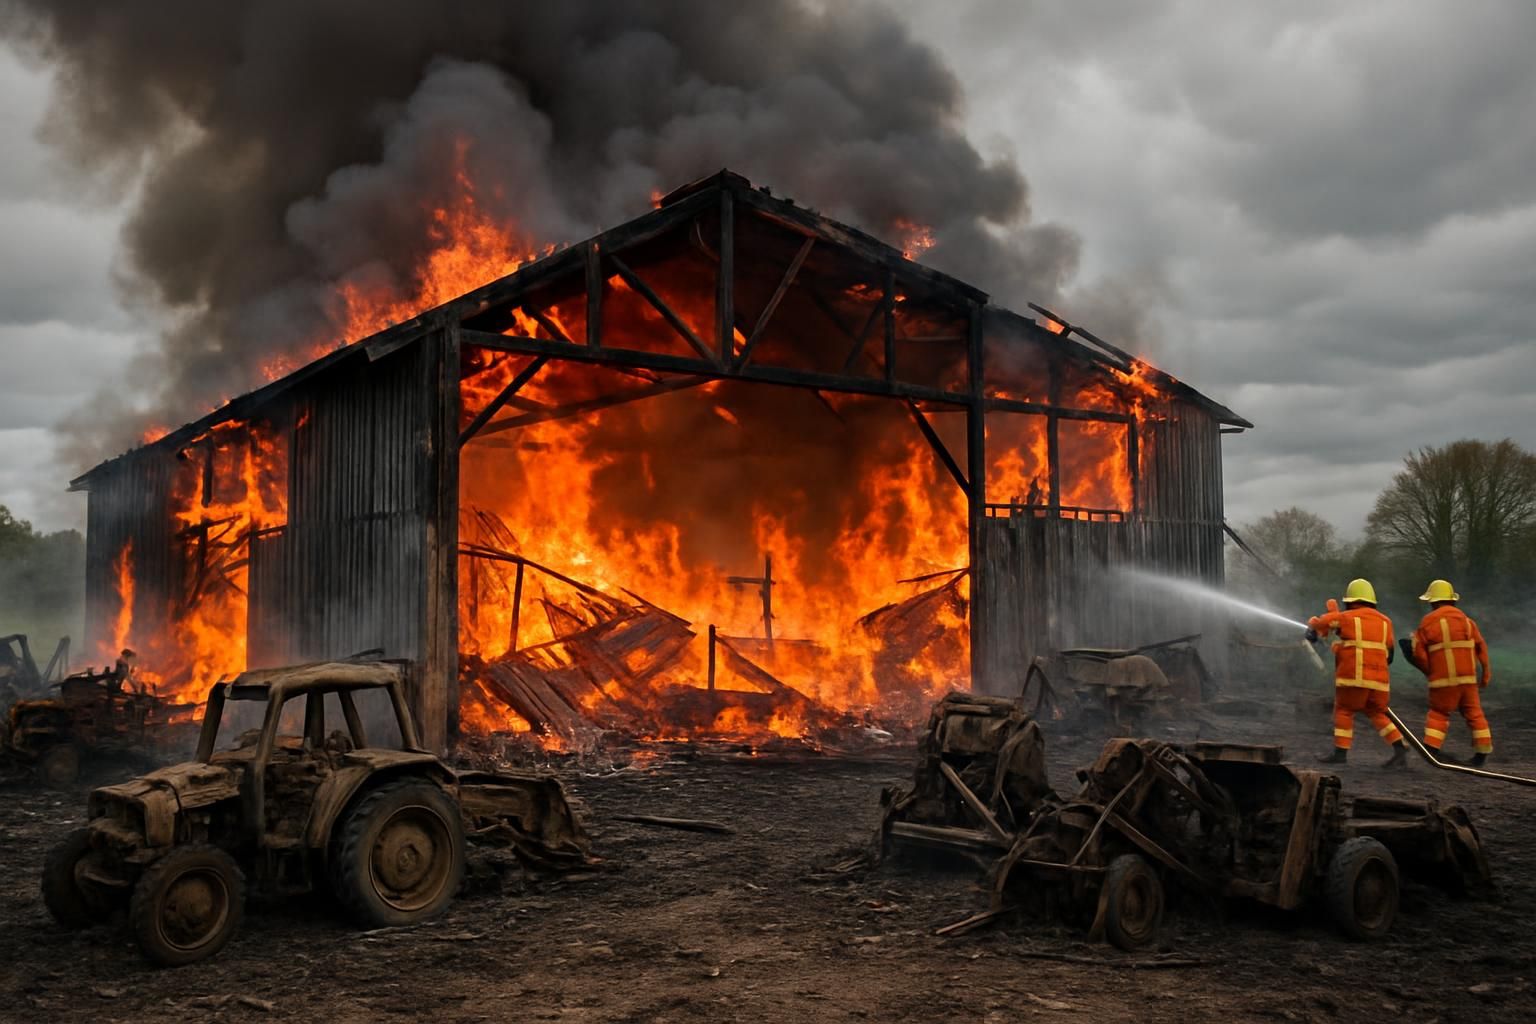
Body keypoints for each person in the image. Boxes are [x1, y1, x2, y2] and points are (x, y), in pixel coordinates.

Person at [1306, 578, 1408, 767]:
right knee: (1377, 713)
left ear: (1350, 601)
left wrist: (1313, 629)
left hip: (1354, 678)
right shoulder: (1386, 622)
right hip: (1379, 680)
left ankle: (1340, 753)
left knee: (1344, 711)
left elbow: (1324, 622)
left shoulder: (1346, 617)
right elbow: (1390, 655)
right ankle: (1400, 749)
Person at [1402, 579, 1492, 767]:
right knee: (1474, 713)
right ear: (1452, 601)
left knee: (1439, 713)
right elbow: (1481, 647)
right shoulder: (1468, 622)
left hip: (1443, 681)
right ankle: (1481, 754)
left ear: (1434, 602)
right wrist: (1485, 674)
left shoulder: (1428, 622)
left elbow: (1418, 654)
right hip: (1468, 680)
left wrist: (1429, 671)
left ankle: (1431, 750)